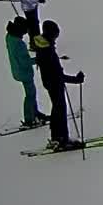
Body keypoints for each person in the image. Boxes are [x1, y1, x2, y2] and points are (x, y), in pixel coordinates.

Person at [33, 19, 85, 150]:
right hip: (54, 83)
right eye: (55, 35)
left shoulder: (42, 45)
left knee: (57, 108)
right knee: (60, 109)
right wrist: (76, 80)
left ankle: (56, 138)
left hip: (49, 82)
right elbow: (57, 75)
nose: (56, 38)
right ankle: (62, 140)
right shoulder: (47, 51)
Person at [6, 17, 48, 127]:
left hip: (16, 70)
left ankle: (35, 113)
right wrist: (38, 60)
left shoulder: (9, 37)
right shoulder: (19, 44)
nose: (25, 33)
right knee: (30, 95)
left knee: (31, 93)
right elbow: (25, 62)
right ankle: (29, 119)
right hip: (24, 73)